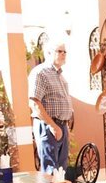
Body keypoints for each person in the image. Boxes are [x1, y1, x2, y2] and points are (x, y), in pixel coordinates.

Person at [28, 39, 73, 174]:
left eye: (65, 51)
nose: (63, 54)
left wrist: (65, 126)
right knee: (50, 171)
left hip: (61, 126)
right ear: (48, 53)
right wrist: (53, 126)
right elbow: (34, 103)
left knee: (61, 172)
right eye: (59, 51)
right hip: (48, 126)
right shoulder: (40, 73)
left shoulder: (60, 75)